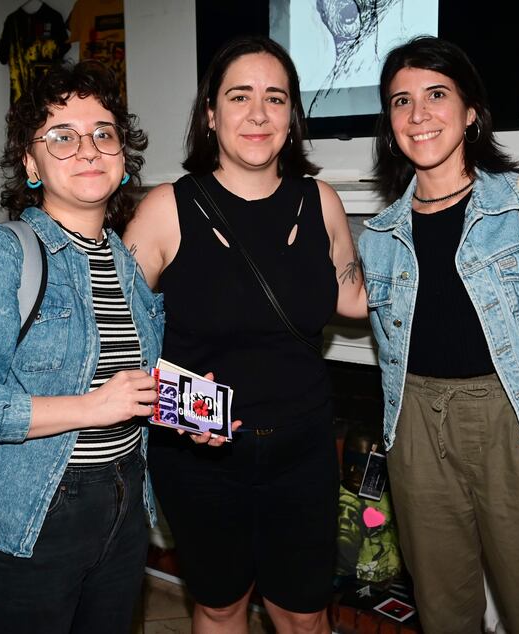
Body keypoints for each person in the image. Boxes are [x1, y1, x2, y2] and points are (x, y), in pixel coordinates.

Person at [359, 36, 519, 633]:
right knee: (444, 612)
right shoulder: (380, 234)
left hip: (518, 429)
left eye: (436, 95)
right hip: (415, 429)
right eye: (401, 102)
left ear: (471, 110)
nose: (418, 114)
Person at [124, 35, 366, 634]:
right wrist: (178, 409)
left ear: (292, 116)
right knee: (220, 605)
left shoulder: (323, 202)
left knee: (303, 613)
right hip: (203, 457)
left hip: (304, 450)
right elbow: (112, 337)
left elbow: (355, 298)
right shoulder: (165, 208)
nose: (258, 113)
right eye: (240, 96)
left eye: (275, 98)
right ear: (211, 114)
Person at [0, 61, 163, 634]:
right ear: (30, 163)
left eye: (103, 133)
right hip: (22, 518)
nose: (88, 148)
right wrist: (90, 407)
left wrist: (185, 413)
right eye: (62, 136)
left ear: (123, 158)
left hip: (123, 508)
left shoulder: (127, 264)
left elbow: (132, 390)